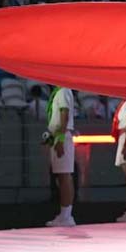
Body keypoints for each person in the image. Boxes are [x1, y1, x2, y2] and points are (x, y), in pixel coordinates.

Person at [45, 86, 77, 227]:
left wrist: (61, 138)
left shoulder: (63, 91)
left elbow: (65, 114)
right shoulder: (59, 92)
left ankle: (67, 215)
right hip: (56, 135)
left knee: (65, 177)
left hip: (61, 136)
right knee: (61, 177)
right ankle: (65, 214)